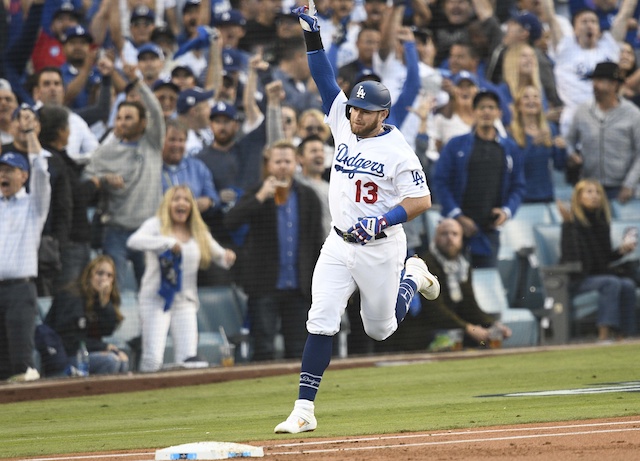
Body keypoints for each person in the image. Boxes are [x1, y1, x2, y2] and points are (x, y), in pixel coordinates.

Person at [273, 7, 440, 434]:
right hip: (339, 243)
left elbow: (421, 200)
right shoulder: (343, 123)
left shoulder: (398, 151)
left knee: (380, 330)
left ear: (383, 115)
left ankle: (412, 276)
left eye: (365, 111)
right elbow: (323, 78)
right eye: (354, 109)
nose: (355, 115)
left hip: (382, 249)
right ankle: (304, 410)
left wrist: (382, 222)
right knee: (321, 318)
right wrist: (313, 36)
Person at [224, 140, 325, 361]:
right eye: (277, 161)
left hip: (299, 287)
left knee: (299, 349)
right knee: (263, 348)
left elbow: (316, 241)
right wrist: (260, 197)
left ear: (297, 163)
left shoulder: (308, 197)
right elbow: (230, 222)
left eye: (287, 161)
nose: (282, 166)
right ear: (268, 165)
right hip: (264, 286)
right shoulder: (256, 192)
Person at [127, 185, 236, 372]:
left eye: (186, 200)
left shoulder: (198, 231)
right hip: (156, 299)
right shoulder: (156, 225)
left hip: (185, 301)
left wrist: (228, 256)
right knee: (152, 359)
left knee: (188, 359)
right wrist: (167, 243)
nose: (181, 203)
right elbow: (134, 241)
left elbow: (220, 257)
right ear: (168, 203)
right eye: (176, 199)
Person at [379, 218, 512, 351]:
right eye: (444, 234)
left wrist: (492, 324)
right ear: (436, 238)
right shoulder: (425, 264)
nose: (450, 238)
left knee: (485, 338)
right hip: (423, 332)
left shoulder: (464, 268)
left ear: (461, 239)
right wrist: (468, 328)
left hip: (452, 329)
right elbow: (434, 310)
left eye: (454, 234)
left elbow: (470, 307)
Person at [83, 79, 166, 292]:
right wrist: (104, 179)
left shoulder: (153, 144)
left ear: (142, 122)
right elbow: (85, 179)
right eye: (119, 118)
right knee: (110, 291)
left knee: (152, 291)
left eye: (128, 118)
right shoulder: (105, 152)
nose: (122, 122)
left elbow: (156, 110)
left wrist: (138, 82)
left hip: (149, 230)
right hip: (115, 232)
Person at [433, 90, 526, 268]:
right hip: (456, 229)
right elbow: (440, 182)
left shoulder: (510, 149)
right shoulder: (455, 144)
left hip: (489, 230)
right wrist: (457, 216)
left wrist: (506, 211)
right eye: (482, 107)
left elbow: (518, 186)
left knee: (487, 283)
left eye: (491, 107)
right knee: (454, 284)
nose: (486, 112)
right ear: (474, 111)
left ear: (499, 113)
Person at [0, 106, 50, 381]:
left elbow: (42, 173)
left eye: (11, 170)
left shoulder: (34, 205)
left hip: (20, 290)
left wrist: (30, 133)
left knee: (21, 365)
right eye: (1, 170)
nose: (4, 175)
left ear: (23, 175)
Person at [559, 179, 638, 341]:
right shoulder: (571, 223)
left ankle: (625, 335)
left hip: (598, 276)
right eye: (589, 192)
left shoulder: (602, 222)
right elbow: (570, 256)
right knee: (611, 283)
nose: (595, 196)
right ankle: (604, 335)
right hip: (576, 278)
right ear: (578, 197)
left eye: (598, 192)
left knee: (628, 285)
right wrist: (568, 225)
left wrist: (622, 250)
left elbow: (605, 257)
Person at [565, 61, 640, 202]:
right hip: (589, 187)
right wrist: (572, 154)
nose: (595, 85)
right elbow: (569, 140)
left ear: (614, 84)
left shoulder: (633, 114)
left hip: (620, 188)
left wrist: (629, 184)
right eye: (594, 80)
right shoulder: (582, 111)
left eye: (600, 80)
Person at [44, 255, 129, 375]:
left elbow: (107, 330)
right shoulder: (72, 296)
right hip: (64, 356)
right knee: (111, 361)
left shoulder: (100, 299)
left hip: (86, 352)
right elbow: (69, 340)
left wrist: (105, 303)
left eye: (109, 275)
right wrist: (103, 347)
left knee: (122, 360)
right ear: (89, 275)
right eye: (99, 273)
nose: (104, 278)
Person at [509, 85, 567, 203]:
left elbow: (559, 165)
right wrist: (533, 145)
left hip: (546, 195)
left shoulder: (550, 128)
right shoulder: (511, 134)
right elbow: (513, 169)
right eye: (526, 97)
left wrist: (562, 148)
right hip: (522, 197)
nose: (532, 100)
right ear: (519, 105)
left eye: (535, 97)